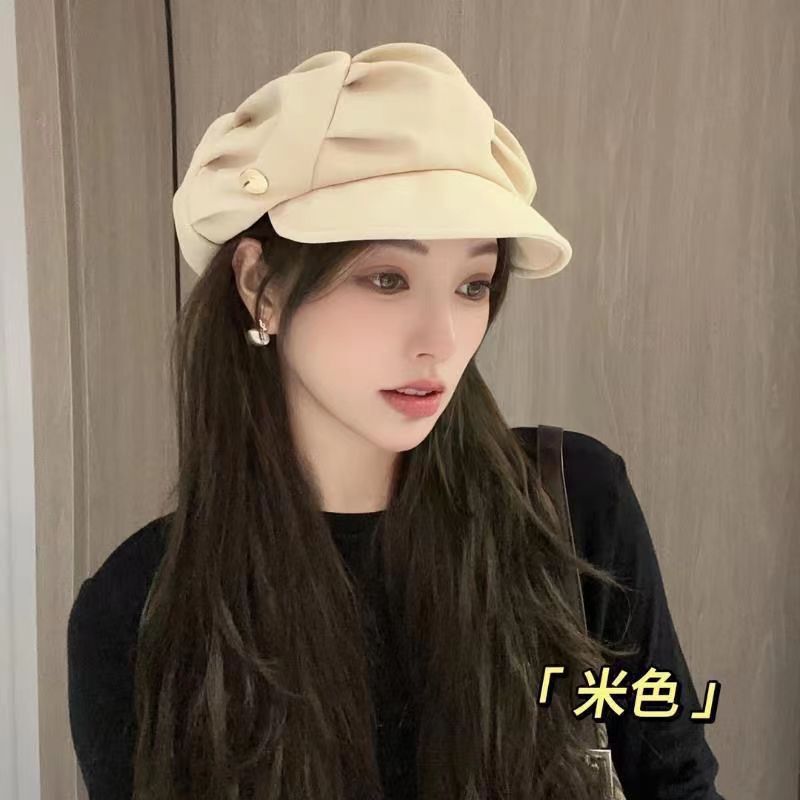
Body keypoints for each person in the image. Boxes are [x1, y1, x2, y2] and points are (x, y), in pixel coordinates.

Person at [67, 42, 725, 800]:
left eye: (473, 285)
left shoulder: (573, 509)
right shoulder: (138, 611)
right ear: (261, 286)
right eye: (387, 278)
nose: (441, 341)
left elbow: (677, 779)